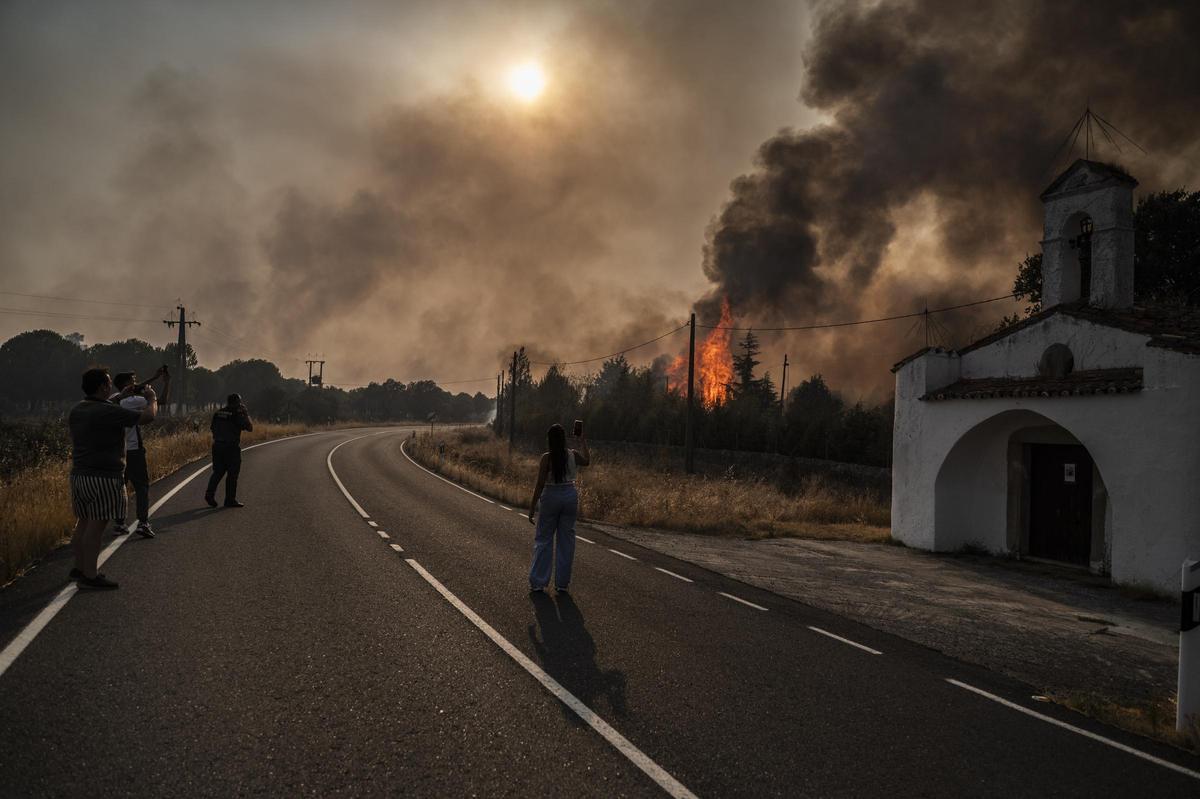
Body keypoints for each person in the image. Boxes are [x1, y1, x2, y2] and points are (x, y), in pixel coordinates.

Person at [67, 367, 157, 589]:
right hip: (104, 477)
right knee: (97, 527)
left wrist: (121, 396)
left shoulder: (78, 409)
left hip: (80, 475)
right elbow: (147, 417)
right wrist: (152, 399)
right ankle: (90, 576)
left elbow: (107, 406)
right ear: (101, 387)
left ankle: (78, 569)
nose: (111, 386)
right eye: (108, 383)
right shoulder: (107, 411)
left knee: (83, 523)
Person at [527, 422, 589, 593]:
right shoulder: (573, 454)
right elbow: (587, 461)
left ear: (549, 439)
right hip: (570, 495)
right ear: (563, 439)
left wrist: (532, 507)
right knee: (566, 541)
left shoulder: (547, 458)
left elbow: (540, 484)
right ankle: (562, 583)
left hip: (551, 496)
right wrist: (583, 441)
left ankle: (538, 582)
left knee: (544, 539)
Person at [110, 366, 170, 538]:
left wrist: (156, 378)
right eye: (133, 381)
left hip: (117, 452)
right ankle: (143, 523)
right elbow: (161, 401)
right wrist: (160, 381)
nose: (136, 383)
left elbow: (136, 391)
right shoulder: (133, 401)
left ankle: (120, 523)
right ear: (126, 385)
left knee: (120, 487)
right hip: (134, 451)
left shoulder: (113, 399)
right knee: (142, 487)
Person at [205, 393, 253, 508]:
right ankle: (229, 500)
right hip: (231, 447)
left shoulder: (218, 413)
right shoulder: (237, 414)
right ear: (236, 402)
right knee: (232, 474)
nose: (241, 404)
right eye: (240, 402)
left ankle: (209, 494)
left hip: (217, 445)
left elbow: (212, 428)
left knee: (218, 472)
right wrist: (245, 413)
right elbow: (250, 428)